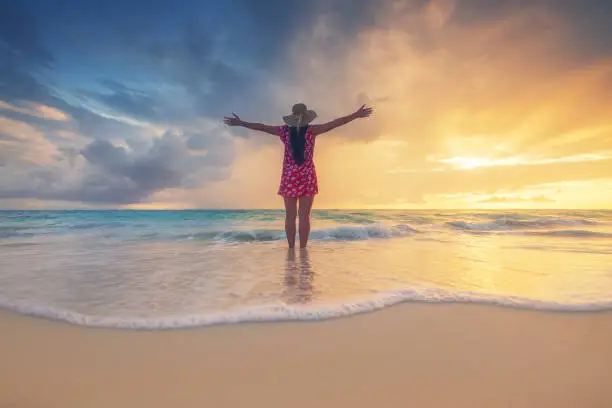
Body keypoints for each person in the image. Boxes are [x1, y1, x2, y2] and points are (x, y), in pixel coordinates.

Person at [224, 103, 373, 248]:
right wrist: (355, 115)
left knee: (290, 216)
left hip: (289, 177)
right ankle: (302, 249)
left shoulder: (283, 131)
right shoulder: (311, 131)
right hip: (307, 176)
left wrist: (242, 123)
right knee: (304, 216)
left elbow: (261, 127)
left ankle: (290, 248)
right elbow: (334, 123)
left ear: (293, 116)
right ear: (307, 116)